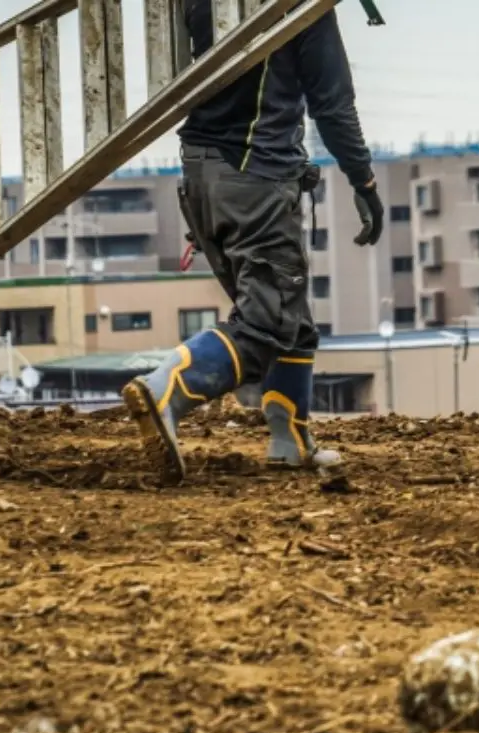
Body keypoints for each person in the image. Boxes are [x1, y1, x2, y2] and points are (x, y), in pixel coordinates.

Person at [121, 0, 384, 481]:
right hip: (255, 175)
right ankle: (166, 390)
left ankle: (290, 440)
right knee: (267, 321)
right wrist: (363, 181)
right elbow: (333, 104)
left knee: (289, 318)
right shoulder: (301, 6)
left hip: (201, 174)